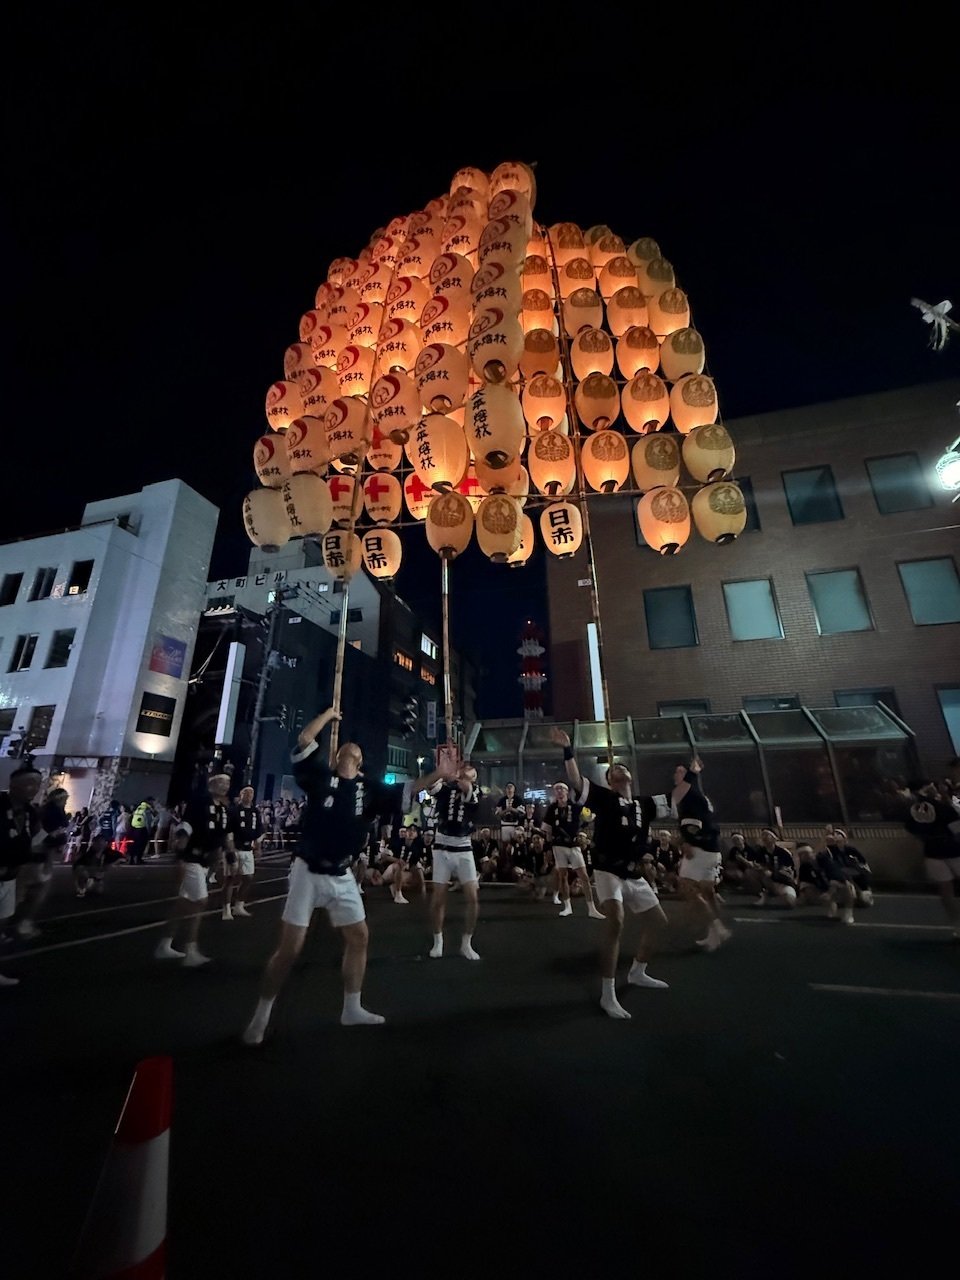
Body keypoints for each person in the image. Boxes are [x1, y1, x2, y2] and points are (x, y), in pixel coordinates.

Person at [243, 709, 446, 1045]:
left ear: (361, 760)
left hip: (342, 873)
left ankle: (351, 1008)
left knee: (359, 937)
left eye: (357, 749)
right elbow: (306, 739)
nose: (352, 749)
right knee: (290, 949)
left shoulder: (370, 789)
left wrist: (439, 771)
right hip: (307, 870)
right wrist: (328, 715)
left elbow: (411, 787)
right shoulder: (320, 777)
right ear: (338, 755)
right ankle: (261, 1016)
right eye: (346, 747)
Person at [551, 728, 672, 1019]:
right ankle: (608, 994)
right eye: (614, 770)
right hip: (607, 870)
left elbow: (676, 801)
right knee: (615, 919)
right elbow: (576, 780)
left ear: (629, 776)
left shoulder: (645, 803)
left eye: (622, 767)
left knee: (658, 922)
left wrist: (690, 778)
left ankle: (637, 972)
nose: (619, 770)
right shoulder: (604, 798)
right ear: (609, 780)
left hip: (633, 873)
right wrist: (568, 749)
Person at [154, 773, 232, 967]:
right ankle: (190, 949)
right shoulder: (200, 802)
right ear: (212, 785)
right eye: (221, 782)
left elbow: (223, 834)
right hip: (192, 857)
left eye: (227, 783)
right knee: (200, 901)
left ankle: (165, 944)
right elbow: (186, 825)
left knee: (184, 902)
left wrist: (229, 853)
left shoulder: (223, 808)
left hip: (205, 860)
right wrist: (180, 849)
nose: (225, 786)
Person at [672, 757, 731, 951]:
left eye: (679, 772)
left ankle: (717, 927)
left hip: (700, 851)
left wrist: (688, 841)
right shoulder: (700, 796)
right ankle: (713, 935)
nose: (675, 775)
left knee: (687, 888)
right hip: (711, 850)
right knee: (708, 892)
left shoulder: (690, 794)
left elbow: (693, 824)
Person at [427, 758, 483, 959]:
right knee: (438, 899)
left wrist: (459, 777)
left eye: (472, 775)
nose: (468, 776)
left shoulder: (476, 791)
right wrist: (442, 771)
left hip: (463, 846)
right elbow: (430, 786)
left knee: (473, 899)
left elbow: (468, 791)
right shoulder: (446, 788)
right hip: (442, 846)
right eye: (466, 772)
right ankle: (438, 940)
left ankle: (466, 942)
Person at [0, 764, 45, 985]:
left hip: (11, 875)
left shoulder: (30, 812)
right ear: (13, 784)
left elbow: (38, 841)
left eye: (37, 784)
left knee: (2, 921)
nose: (33, 788)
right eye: (28, 783)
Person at [901, 782, 960, 937]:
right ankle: (957, 925)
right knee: (946, 889)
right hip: (952, 849)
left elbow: (911, 829)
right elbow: (956, 828)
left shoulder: (912, 808)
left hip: (933, 850)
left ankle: (957, 925)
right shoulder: (942, 805)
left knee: (946, 890)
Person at [542, 780, 605, 919]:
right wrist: (547, 848)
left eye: (561, 789)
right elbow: (547, 830)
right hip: (558, 845)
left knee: (583, 876)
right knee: (562, 875)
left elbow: (590, 817)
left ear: (566, 792)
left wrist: (582, 826)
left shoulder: (576, 806)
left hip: (573, 845)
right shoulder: (552, 808)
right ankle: (567, 907)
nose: (559, 791)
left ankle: (591, 908)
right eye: (556, 789)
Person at [225, 785, 262, 918]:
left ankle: (239, 905)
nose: (249, 795)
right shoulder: (234, 810)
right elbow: (228, 830)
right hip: (235, 847)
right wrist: (230, 849)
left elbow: (259, 830)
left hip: (248, 849)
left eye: (251, 793)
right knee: (230, 878)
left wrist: (258, 847)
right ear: (241, 795)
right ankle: (226, 908)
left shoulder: (255, 811)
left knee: (248, 877)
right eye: (246, 793)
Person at [823, 828, 873, 906]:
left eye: (839, 834)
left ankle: (862, 894)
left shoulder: (851, 850)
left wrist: (857, 866)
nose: (836, 836)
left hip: (856, 872)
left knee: (864, 898)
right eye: (834, 834)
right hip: (841, 874)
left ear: (844, 839)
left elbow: (862, 862)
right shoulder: (832, 851)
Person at [753, 828, 798, 909]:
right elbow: (758, 865)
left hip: (784, 882)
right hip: (769, 882)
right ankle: (765, 894)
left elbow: (788, 873)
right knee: (753, 873)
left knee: (789, 902)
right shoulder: (760, 852)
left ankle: (773, 898)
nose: (764, 837)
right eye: (763, 835)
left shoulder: (784, 853)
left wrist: (772, 873)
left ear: (774, 838)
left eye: (767, 835)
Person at [128, 797, 157, 865]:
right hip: (142, 828)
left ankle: (131, 859)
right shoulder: (147, 808)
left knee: (135, 844)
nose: (154, 804)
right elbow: (148, 821)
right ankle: (138, 859)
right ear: (150, 801)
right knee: (141, 845)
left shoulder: (139, 807)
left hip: (134, 828)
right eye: (153, 802)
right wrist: (149, 830)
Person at [496, 782, 524, 847]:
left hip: (515, 825)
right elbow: (498, 813)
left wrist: (511, 809)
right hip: (504, 825)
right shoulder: (502, 800)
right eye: (508, 788)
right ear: (505, 789)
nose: (509, 790)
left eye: (511, 788)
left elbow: (521, 812)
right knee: (505, 844)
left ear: (514, 789)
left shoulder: (518, 800)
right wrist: (506, 810)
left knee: (515, 843)